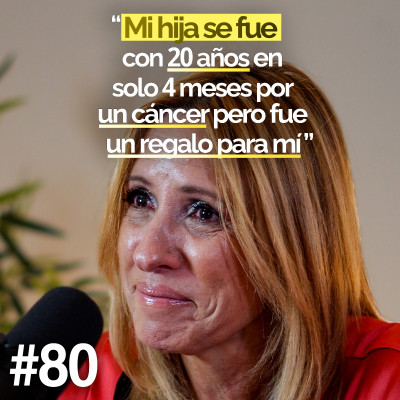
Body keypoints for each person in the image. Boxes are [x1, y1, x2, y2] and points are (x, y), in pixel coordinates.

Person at [60, 63, 400, 400]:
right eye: (141, 199)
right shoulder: (85, 378)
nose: (148, 255)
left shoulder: (388, 380)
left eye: (204, 212)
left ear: (290, 242)